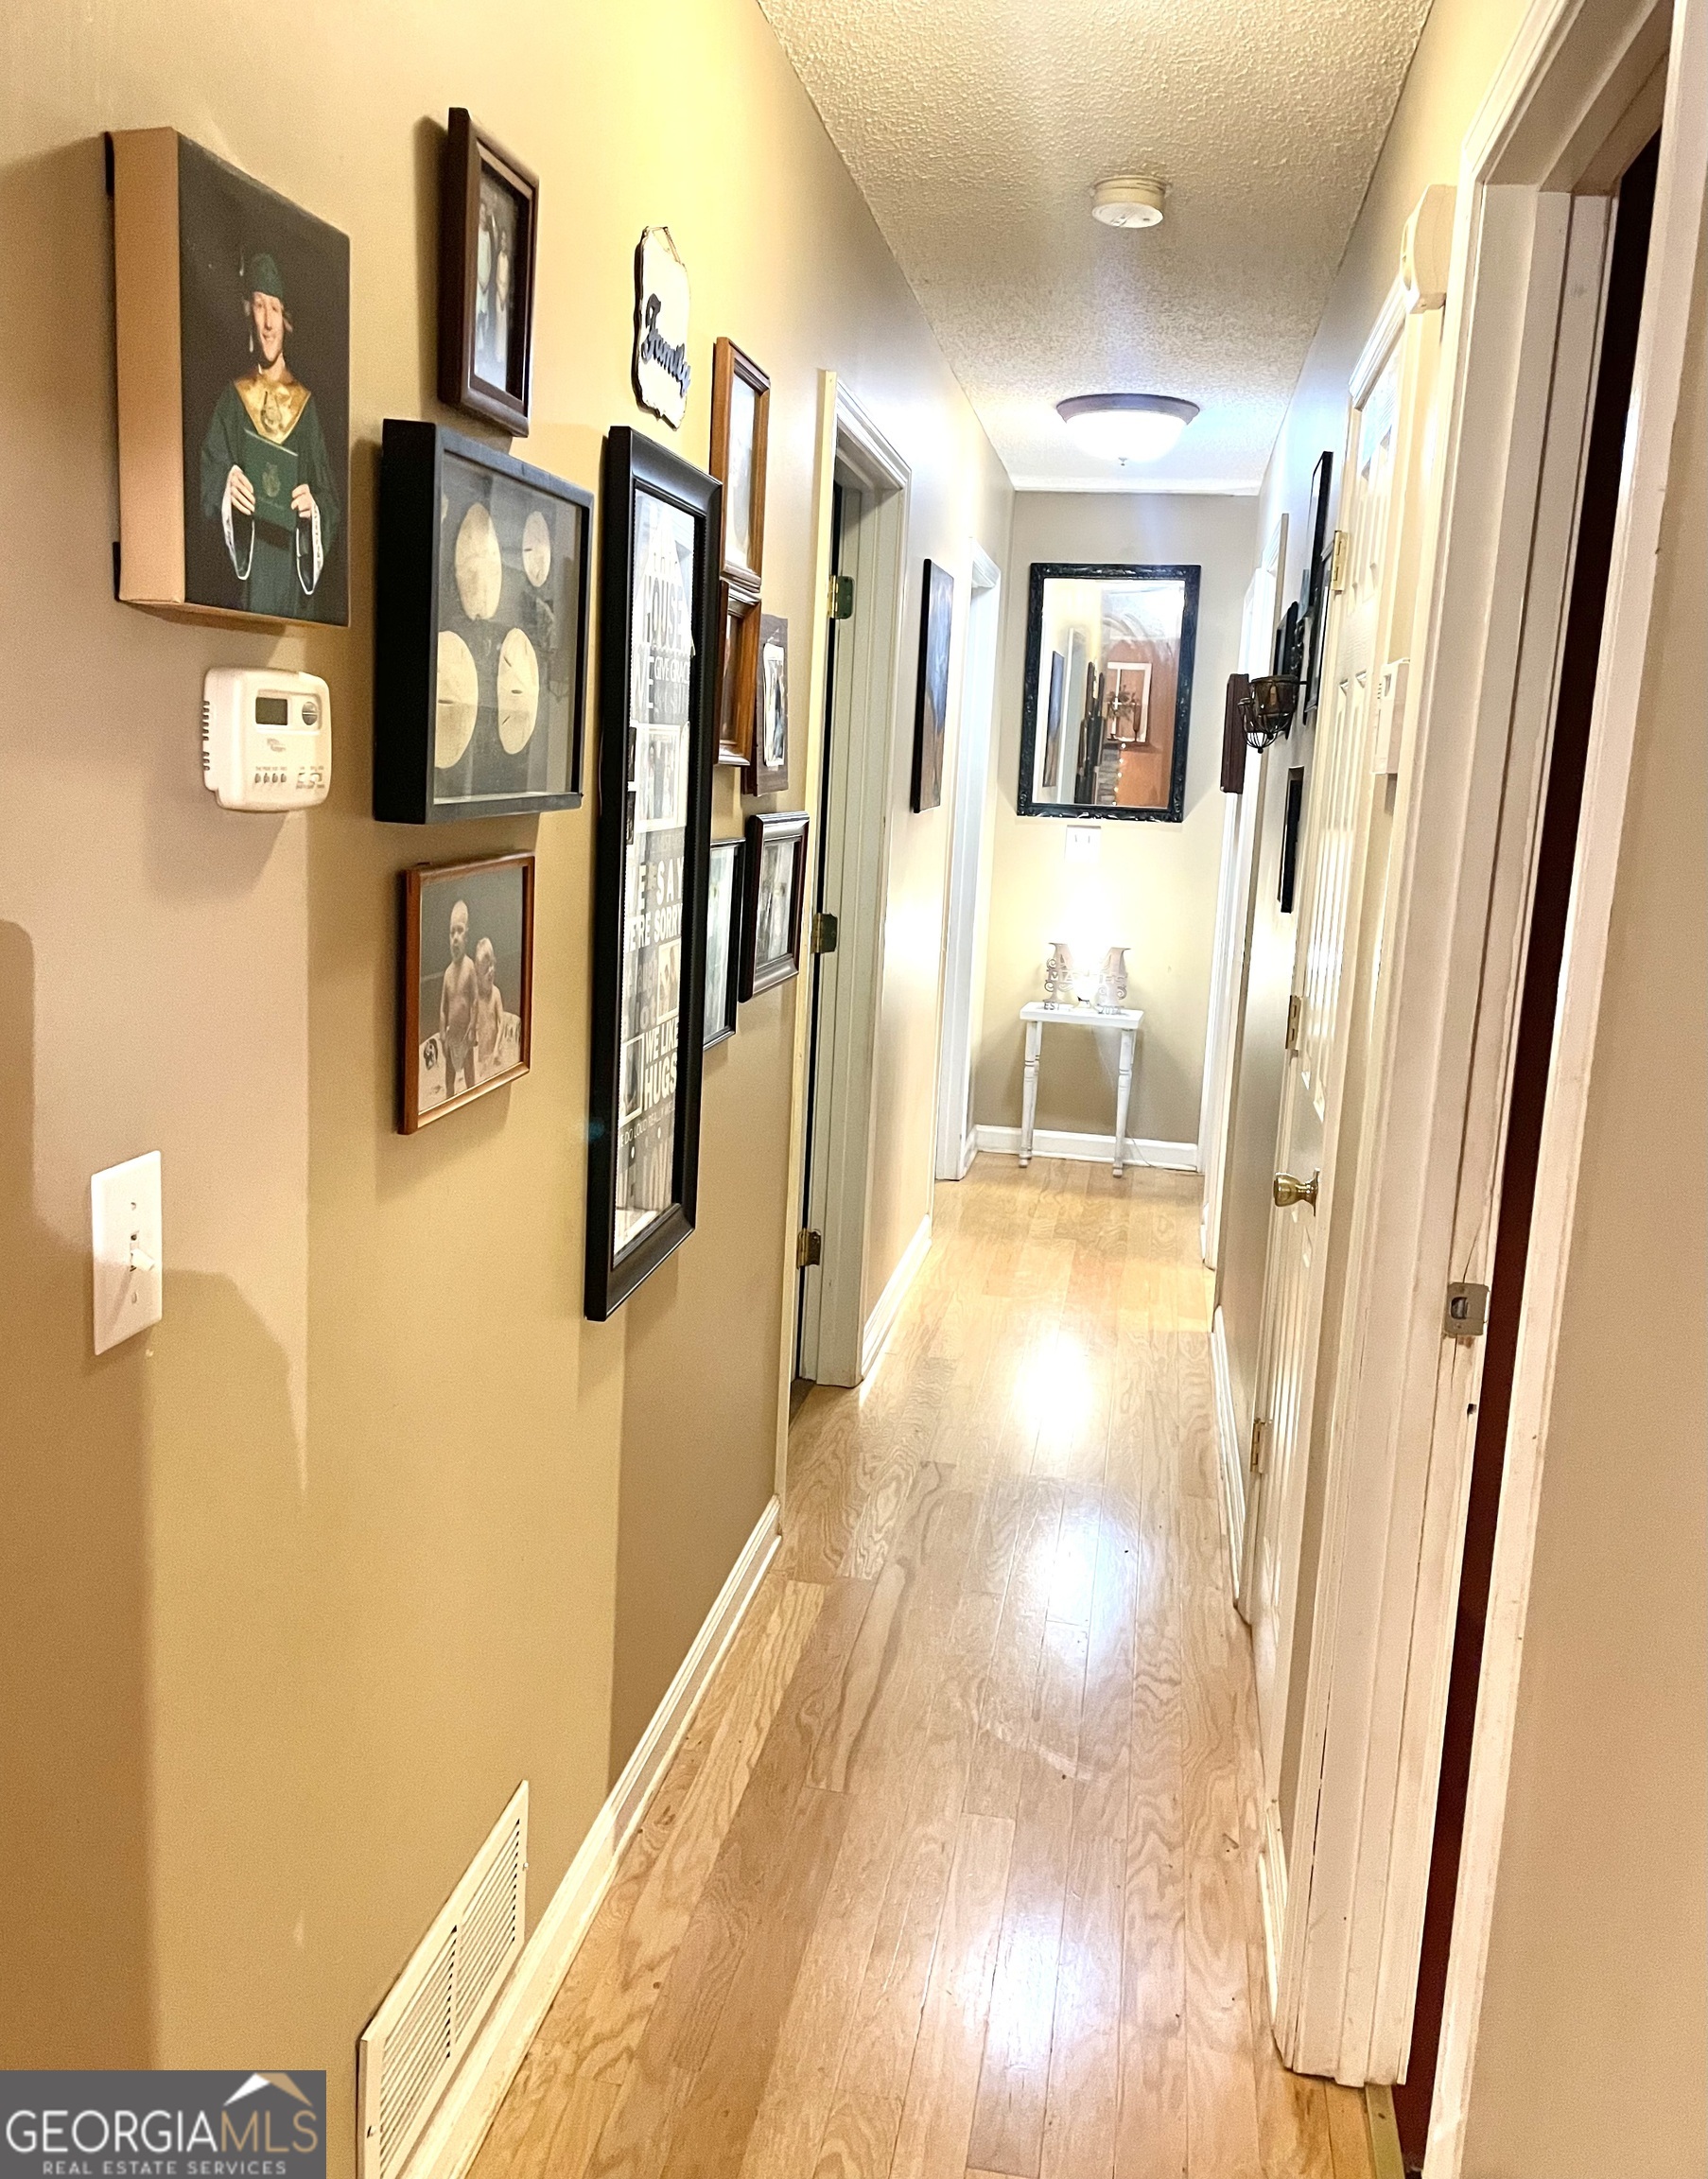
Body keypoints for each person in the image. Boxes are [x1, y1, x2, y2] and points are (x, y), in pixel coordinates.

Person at [199, 251, 340, 619]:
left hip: (290, 577)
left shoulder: (305, 409)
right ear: (249, 313)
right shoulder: (233, 400)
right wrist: (226, 484)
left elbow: (330, 498)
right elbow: (208, 474)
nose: (267, 322)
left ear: (285, 321)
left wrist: (316, 508)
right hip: (246, 573)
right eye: (259, 306)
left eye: (274, 309)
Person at [438, 901, 478, 1101]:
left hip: (465, 1035)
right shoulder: (447, 973)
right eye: (451, 933)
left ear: (467, 937)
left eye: (459, 932)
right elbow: (443, 1008)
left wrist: (472, 1027)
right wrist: (442, 1034)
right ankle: (448, 1096)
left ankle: (472, 1095)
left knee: (469, 1072)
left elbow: (474, 1001)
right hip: (452, 1036)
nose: (455, 938)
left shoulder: (469, 967)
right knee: (449, 1075)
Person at [473, 936, 505, 1082]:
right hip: (481, 1054)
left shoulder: (496, 993)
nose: (491, 971)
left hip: (494, 1051)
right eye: (486, 969)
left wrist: (497, 1047)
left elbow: (502, 1022)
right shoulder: (476, 998)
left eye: (492, 964)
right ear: (478, 974)